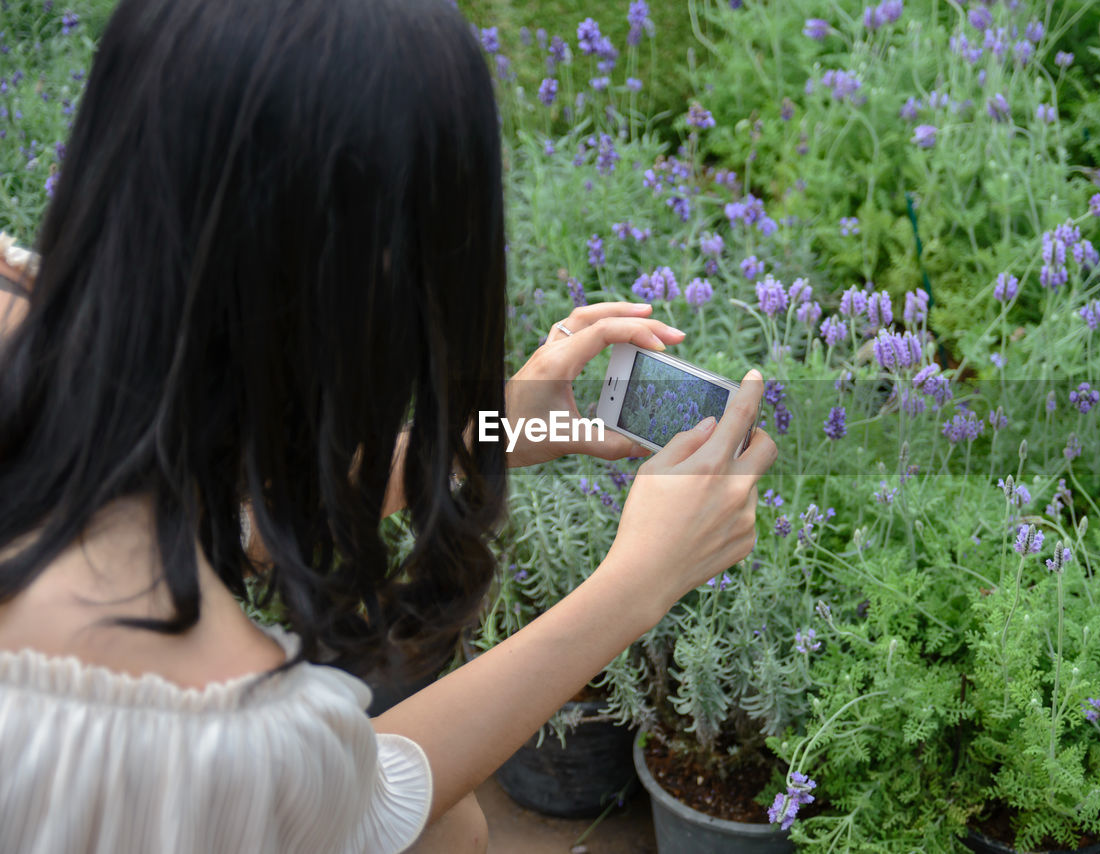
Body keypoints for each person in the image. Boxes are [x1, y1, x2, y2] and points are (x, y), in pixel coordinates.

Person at [0, 0, 776, 852]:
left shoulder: (18, 309)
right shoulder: (219, 722)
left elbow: (206, 502)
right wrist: (637, 582)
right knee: (452, 834)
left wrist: (491, 430)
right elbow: (366, 805)